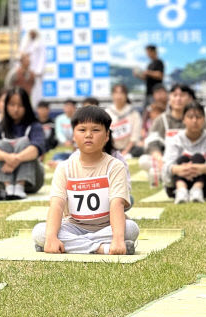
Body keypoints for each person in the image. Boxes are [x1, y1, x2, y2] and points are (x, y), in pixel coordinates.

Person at [32, 105, 139, 255]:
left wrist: (118, 238)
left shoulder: (115, 166)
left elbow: (117, 204)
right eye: (82, 130)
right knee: (40, 231)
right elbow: (56, 204)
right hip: (73, 226)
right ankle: (102, 248)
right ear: (74, 136)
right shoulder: (64, 168)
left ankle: (67, 245)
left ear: (107, 136)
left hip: (107, 227)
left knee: (131, 229)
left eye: (95, 130)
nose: (88, 135)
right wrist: (50, 237)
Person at [0, 87, 46, 199]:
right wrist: (7, 157)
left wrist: (16, 159)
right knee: (0, 145)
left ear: (26, 107)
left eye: (20, 105)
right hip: (0, 183)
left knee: (24, 143)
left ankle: (20, 185)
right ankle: (9, 187)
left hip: (31, 182)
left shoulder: (34, 126)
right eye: (12, 105)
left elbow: (38, 148)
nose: (15, 109)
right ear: (6, 106)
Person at [163, 101, 206, 204]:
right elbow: (167, 166)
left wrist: (195, 168)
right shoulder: (175, 140)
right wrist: (180, 169)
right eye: (190, 117)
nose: (194, 121)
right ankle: (182, 190)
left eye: (198, 117)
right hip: (176, 187)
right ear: (183, 120)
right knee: (182, 159)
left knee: (198, 157)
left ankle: (197, 189)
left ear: (204, 119)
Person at [140, 84, 192, 185]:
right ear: (170, 98)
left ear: (189, 98)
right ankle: (166, 172)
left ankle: (167, 174)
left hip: (190, 160)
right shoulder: (161, 119)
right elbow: (152, 142)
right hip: (165, 160)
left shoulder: (195, 118)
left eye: (182, 95)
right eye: (175, 95)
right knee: (143, 160)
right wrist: (159, 159)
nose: (178, 99)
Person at [105, 84, 143, 159]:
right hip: (110, 149)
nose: (119, 96)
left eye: (121, 93)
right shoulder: (107, 112)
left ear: (126, 95)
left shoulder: (133, 113)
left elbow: (135, 135)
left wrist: (125, 151)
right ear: (112, 95)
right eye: (116, 93)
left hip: (130, 149)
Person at [22, 29, 46, 106]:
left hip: (36, 72)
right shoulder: (25, 42)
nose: (32, 35)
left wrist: (38, 71)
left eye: (33, 33)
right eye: (30, 33)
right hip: (26, 72)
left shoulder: (40, 43)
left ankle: (36, 106)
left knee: (37, 90)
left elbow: (42, 58)